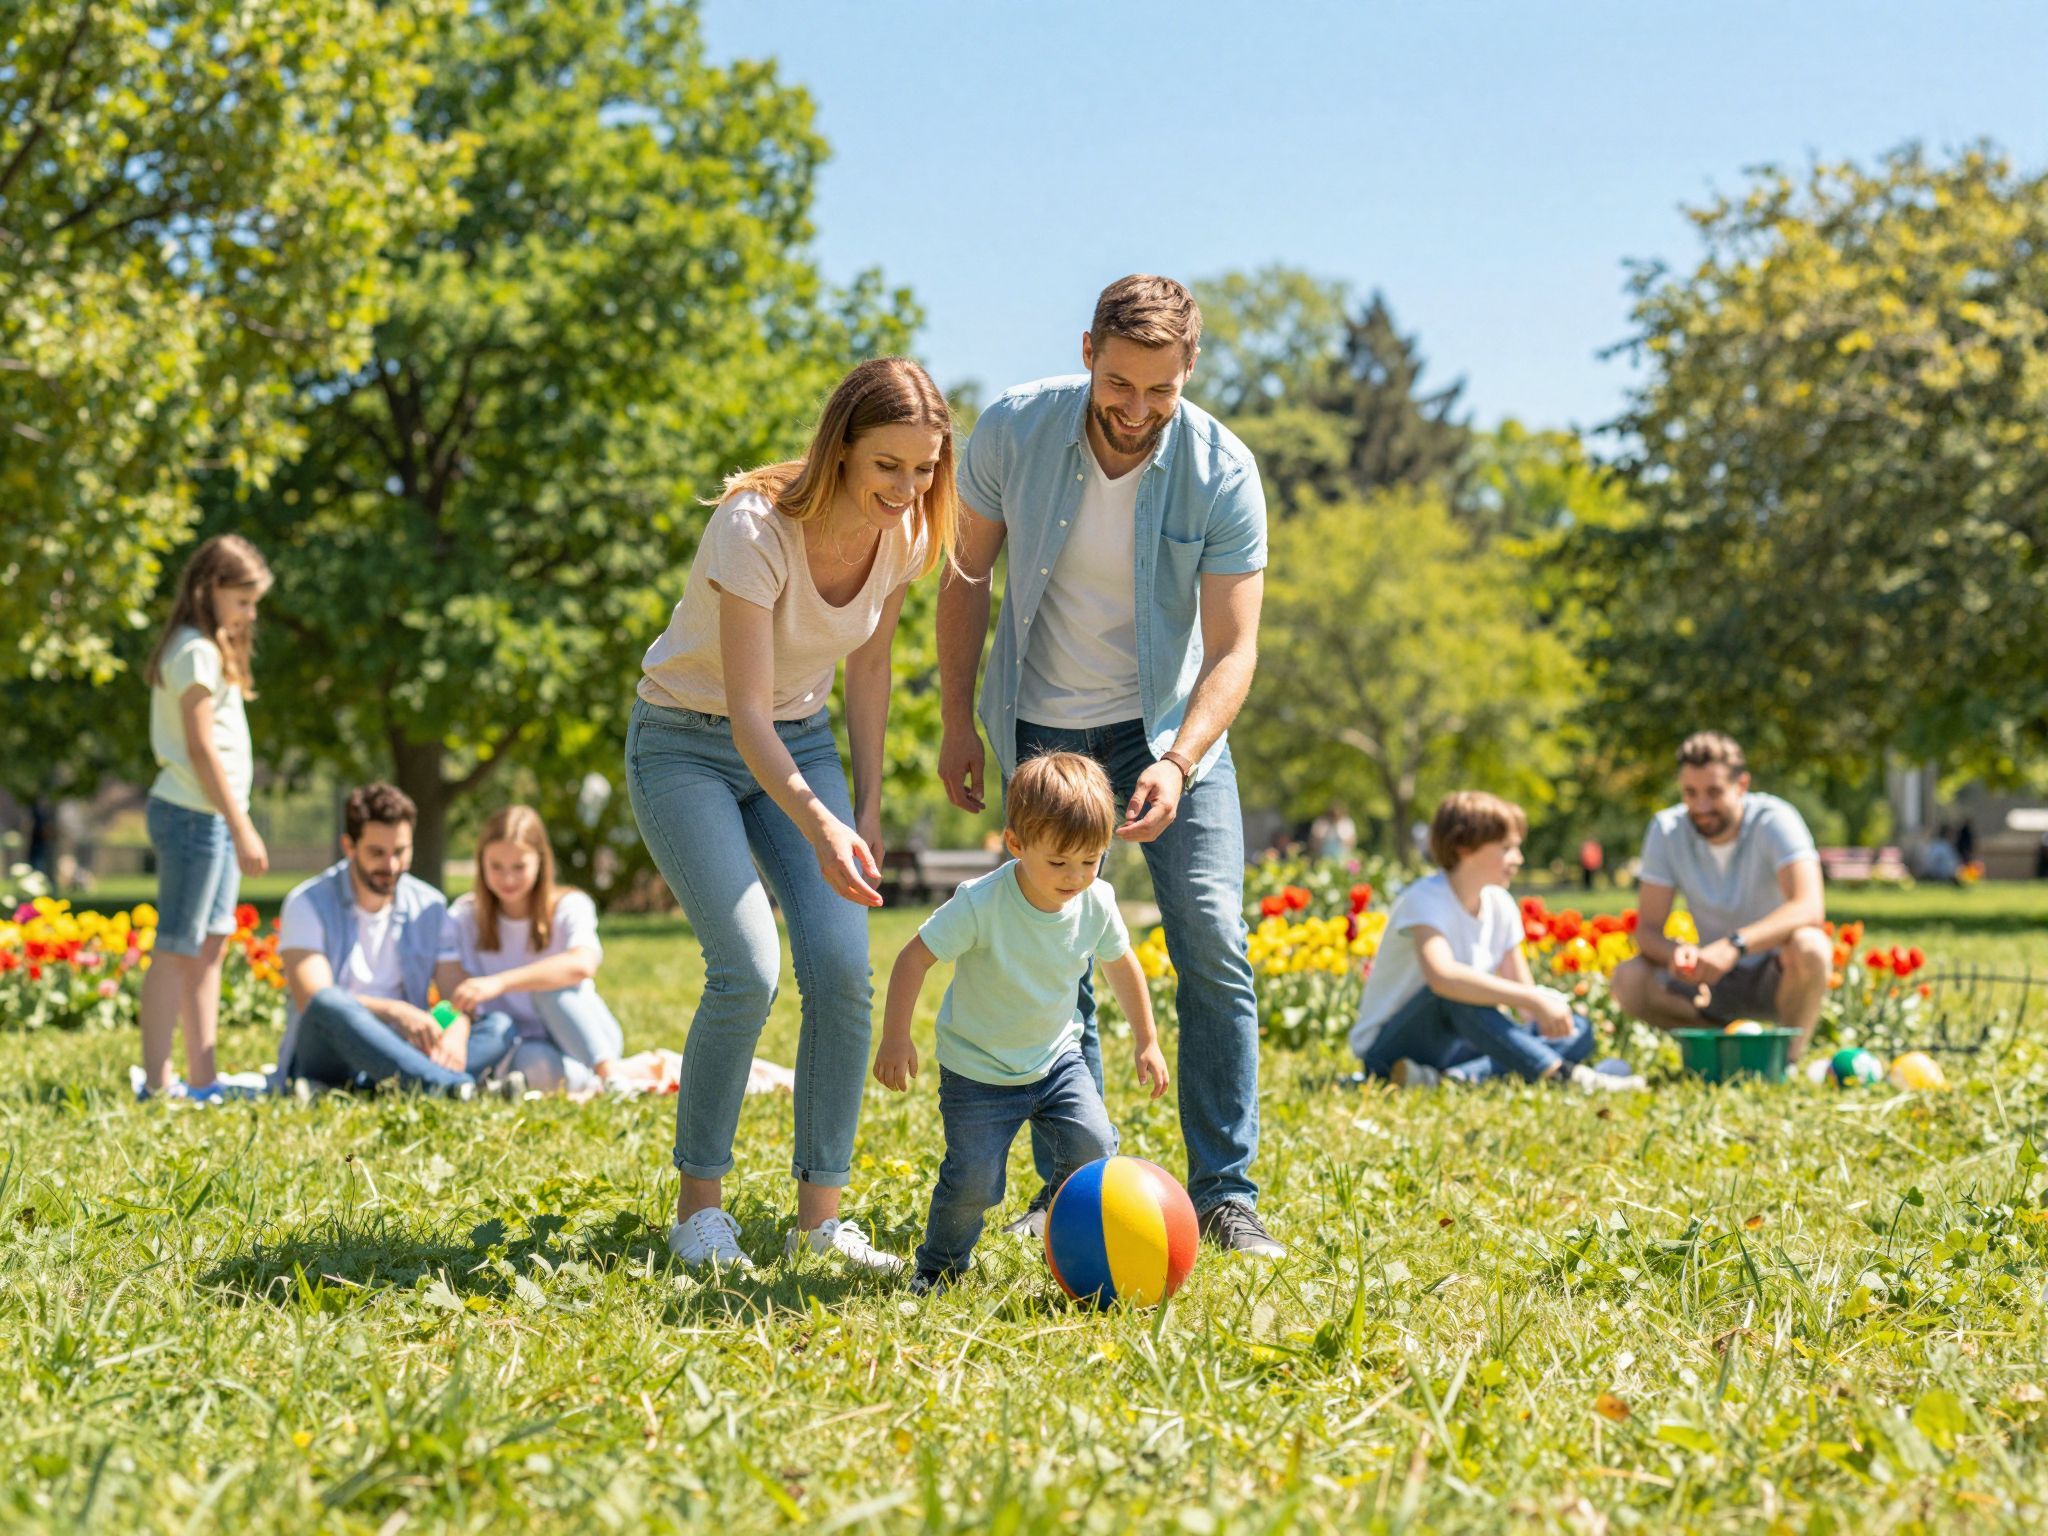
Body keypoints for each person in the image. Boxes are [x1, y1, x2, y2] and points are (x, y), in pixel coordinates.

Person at [936, 274, 1280, 1257]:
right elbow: (964, 580)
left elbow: (1233, 650)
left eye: (1160, 392)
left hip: (1169, 728)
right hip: (1039, 722)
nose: (1135, 412)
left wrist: (1178, 760)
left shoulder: (1221, 470)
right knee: (1060, 954)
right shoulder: (1012, 432)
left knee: (1212, 932)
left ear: (1188, 373)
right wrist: (958, 722)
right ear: (1088, 352)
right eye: (1119, 384)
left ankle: (1224, 1192)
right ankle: (1076, 1192)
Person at [626, 357, 958, 1275]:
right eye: (888, 464)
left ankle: (821, 1221)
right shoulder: (752, 528)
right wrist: (821, 825)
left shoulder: (907, 540)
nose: (907, 488)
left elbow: (870, 668)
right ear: (843, 446)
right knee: (746, 966)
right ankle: (699, 1213)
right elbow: (743, 712)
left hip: (802, 744)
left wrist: (867, 808)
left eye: (924, 467)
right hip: (687, 742)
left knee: (843, 971)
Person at [872, 753, 1168, 1293]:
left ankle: (1067, 1222)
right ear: (1015, 844)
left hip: (1056, 1062)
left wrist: (1147, 1040)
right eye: (1058, 863)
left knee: (1096, 1148)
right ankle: (939, 1267)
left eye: (1091, 861)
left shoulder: (1096, 901)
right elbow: (913, 958)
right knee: (974, 1184)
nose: (1075, 877)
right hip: (978, 1075)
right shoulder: (981, 904)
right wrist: (896, 1037)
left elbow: (1122, 965)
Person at [1352, 792, 1642, 1092]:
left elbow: (1525, 998)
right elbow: (1443, 978)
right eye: (1507, 848)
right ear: (1463, 847)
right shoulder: (1425, 899)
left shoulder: (1500, 904)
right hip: (1392, 1048)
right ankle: (1564, 1076)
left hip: (1459, 1046)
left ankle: (1445, 1080)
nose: (1519, 858)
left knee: (1577, 1029)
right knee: (1455, 992)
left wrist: (1547, 1010)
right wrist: (1532, 1000)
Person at [137, 535, 274, 1102]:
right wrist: (241, 823)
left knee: (210, 945)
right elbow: (200, 748)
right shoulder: (194, 650)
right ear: (211, 589)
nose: (250, 613)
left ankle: (202, 1079)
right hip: (195, 817)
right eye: (243, 600)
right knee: (176, 945)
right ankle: (156, 1081)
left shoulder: (207, 647)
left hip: (210, 818)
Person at [275, 783, 515, 1096]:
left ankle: (396, 1086)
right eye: (377, 853)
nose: (390, 866)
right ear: (349, 846)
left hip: (409, 1045)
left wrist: (457, 1026)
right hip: (331, 1053)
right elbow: (312, 998)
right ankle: (452, 1087)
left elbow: (454, 992)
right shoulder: (307, 903)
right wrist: (396, 1011)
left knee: (499, 1026)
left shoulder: (429, 905)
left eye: (400, 852)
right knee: (330, 1002)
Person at [1609, 732, 1831, 1056]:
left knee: (1812, 946)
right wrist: (1675, 953)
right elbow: (1648, 931)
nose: (1701, 806)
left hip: (1776, 972)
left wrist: (1735, 946)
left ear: (1742, 785)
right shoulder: (1667, 829)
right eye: (1690, 792)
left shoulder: (1775, 820)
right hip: (1710, 982)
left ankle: (1786, 1060)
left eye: (1714, 792)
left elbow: (1809, 907)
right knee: (1628, 979)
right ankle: (1728, 1046)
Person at [436, 804, 625, 1096]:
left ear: (540, 862)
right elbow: (451, 992)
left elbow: (583, 964)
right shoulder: (463, 916)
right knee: (538, 1066)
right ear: (481, 863)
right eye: (496, 867)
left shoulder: (570, 905)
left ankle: (610, 1076)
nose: (508, 879)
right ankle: (592, 1084)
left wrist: (498, 983)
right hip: (521, 1042)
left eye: (519, 867)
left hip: (585, 1035)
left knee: (549, 988)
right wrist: (454, 1024)